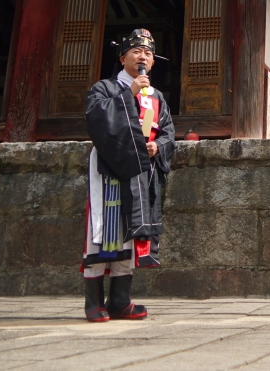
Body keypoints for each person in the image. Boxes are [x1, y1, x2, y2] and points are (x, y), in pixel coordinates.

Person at [82, 28, 175, 323]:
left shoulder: (156, 96)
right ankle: (93, 302)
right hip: (109, 169)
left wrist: (156, 146)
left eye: (148, 53)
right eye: (136, 52)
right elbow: (96, 119)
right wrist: (130, 93)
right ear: (123, 58)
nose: (143, 56)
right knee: (102, 233)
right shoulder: (104, 88)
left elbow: (169, 133)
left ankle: (121, 299)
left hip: (140, 172)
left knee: (129, 234)